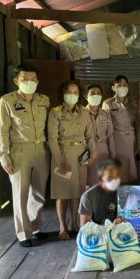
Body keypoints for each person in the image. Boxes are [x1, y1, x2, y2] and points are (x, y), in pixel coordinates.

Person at [0, 64, 50, 247]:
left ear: (38, 81)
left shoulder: (44, 100)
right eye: (25, 79)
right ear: (16, 81)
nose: (29, 82)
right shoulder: (7, 101)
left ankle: (35, 227)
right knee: (21, 193)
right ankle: (23, 233)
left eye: (33, 79)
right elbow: (2, 131)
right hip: (19, 151)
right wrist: (4, 156)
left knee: (39, 192)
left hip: (41, 150)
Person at [48, 80, 97, 240]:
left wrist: (93, 153)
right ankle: (62, 226)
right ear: (62, 93)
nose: (72, 95)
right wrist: (59, 160)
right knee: (62, 194)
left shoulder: (84, 112)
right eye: (69, 92)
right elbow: (52, 138)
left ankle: (74, 223)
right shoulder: (55, 112)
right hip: (61, 154)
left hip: (80, 156)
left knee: (77, 192)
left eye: (76, 92)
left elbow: (90, 135)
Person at [102, 75, 139, 183]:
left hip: (131, 138)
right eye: (119, 85)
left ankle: (129, 192)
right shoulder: (107, 103)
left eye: (125, 85)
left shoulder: (132, 103)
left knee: (131, 167)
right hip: (116, 139)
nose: (122, 87)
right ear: (113, 88)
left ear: (128, 87)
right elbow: (105, 126)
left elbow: (137, 123)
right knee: (118, 168)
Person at [79, 158, 126, 226]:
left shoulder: (125, 192)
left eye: (117, 176)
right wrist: (111, 227)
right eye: (110, 177)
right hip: (98, 235)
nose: (114, 180)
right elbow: (84, 230)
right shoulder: (89, 197)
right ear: (101, 178)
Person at [85, 84, 116, 186]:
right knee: (89, 182)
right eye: (92, 93)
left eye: (98, 93)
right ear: (86, 96)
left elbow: (110, 136)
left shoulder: (106, 114)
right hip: (87, 151)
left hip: (103, 151)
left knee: (103, 181)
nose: (96, 95)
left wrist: (112, 156)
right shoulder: (81, 114)